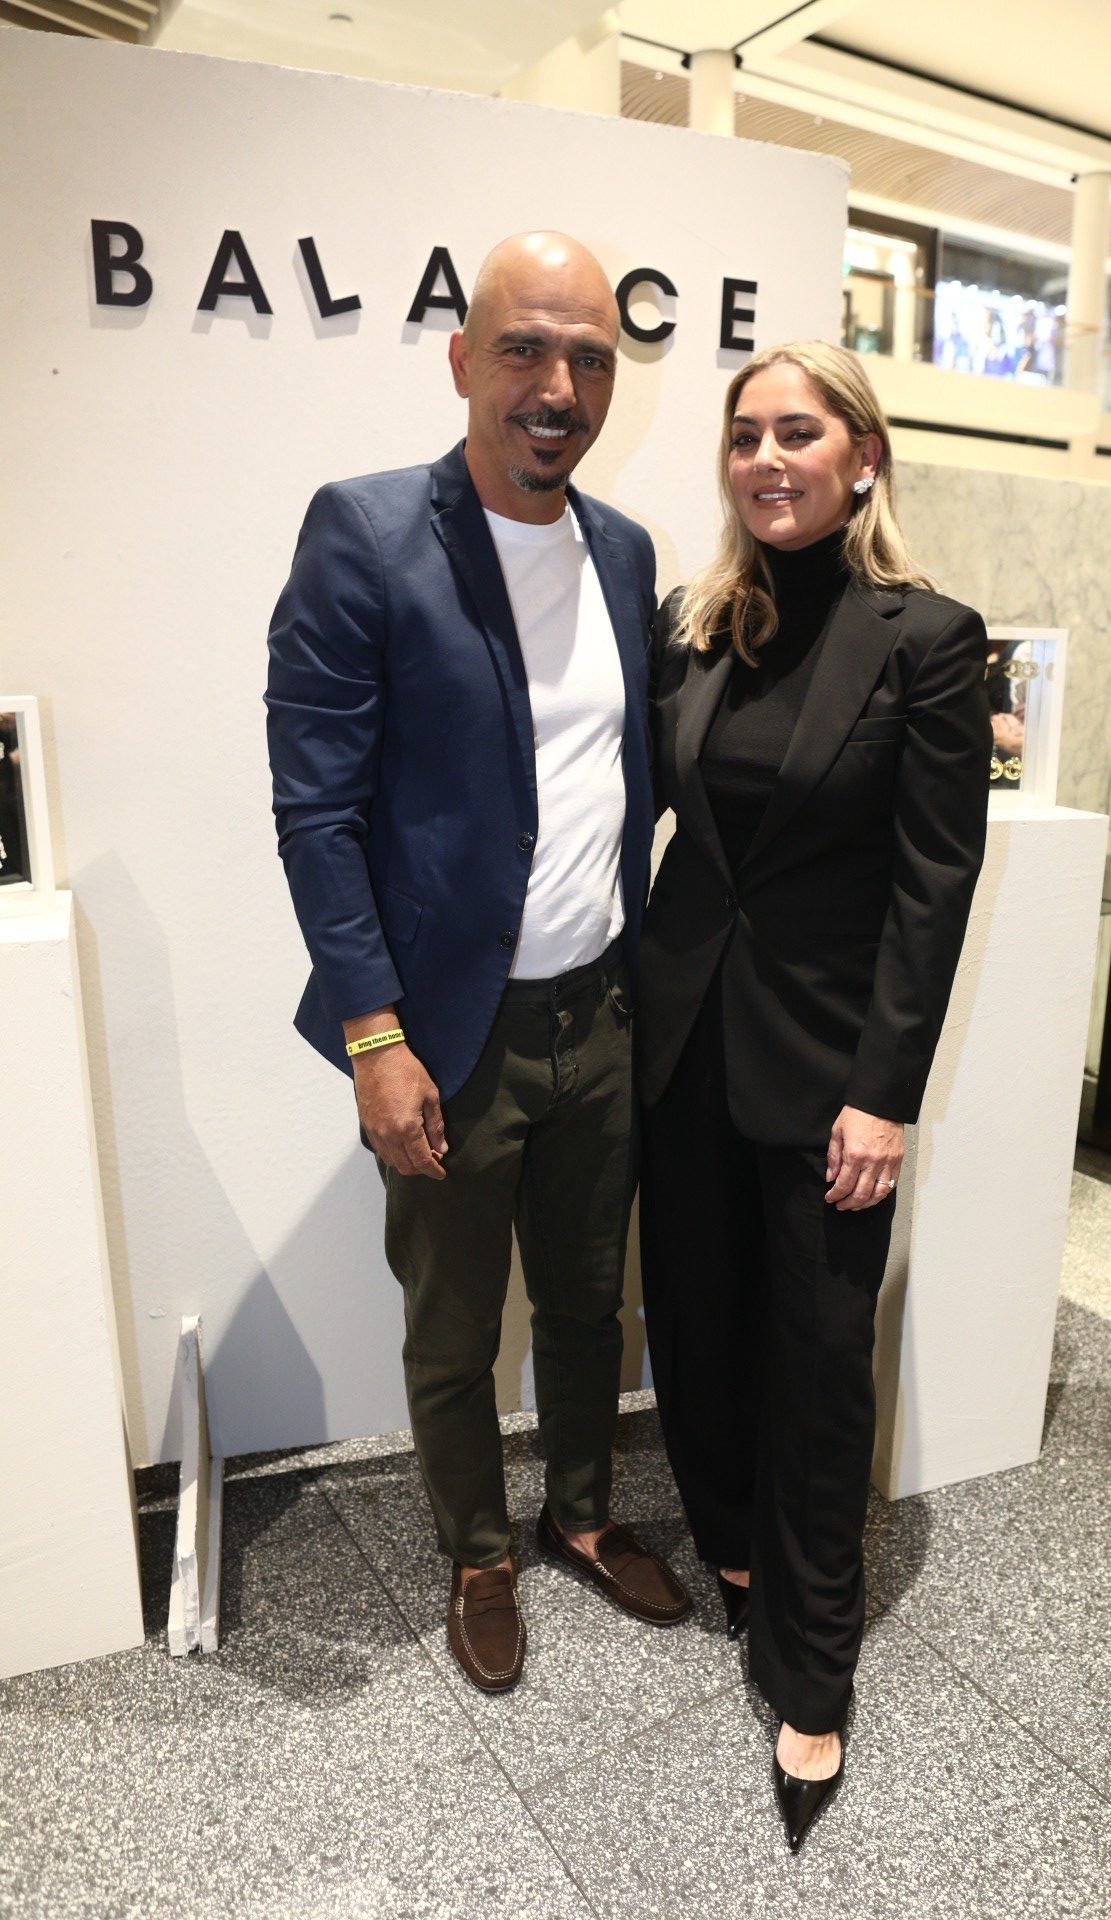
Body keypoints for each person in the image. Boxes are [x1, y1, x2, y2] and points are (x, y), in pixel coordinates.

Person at [265, 230, 691, 1697]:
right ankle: (476, 1551)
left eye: (589, 358)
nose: (557, 386)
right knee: (452, 1327)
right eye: (525, 348)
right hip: (448, 1032)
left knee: (586, 1302)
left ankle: (579, 1511)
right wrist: (375, 1038)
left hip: (600, 1013)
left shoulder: (625, 551)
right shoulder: (366, 532)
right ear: (462, 360)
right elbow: (316, 812)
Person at [638, 340, 989, 1851]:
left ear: (863, 454)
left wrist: (885, 1095)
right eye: (744, 436)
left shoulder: (930, 638)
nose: (767, 459)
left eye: (798, 431)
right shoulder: (697, 626)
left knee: (823, 1365)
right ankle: (732, 1550)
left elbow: (933, 883)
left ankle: (812, 1663)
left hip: (833, 1075)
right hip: (682, 1050)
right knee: (699, 1327)